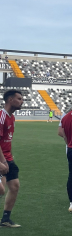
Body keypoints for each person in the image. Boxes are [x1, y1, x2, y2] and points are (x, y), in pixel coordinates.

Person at [0, 89, 23, 228]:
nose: (22, 101)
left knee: (14, 187)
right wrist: (2, 161)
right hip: (1, 158)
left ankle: (5, 219)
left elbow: (7, 141)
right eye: (19, 99)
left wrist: (9, 159)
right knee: (1, 190)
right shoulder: (1, 116)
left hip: (7, 157)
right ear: (10, 100)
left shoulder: (12, 117)